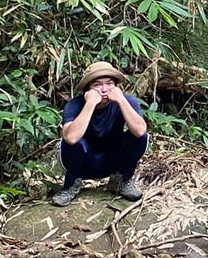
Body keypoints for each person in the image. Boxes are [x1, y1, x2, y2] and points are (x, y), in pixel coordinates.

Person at [53, 61, 148, 207]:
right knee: (70, 141)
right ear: (88, 89)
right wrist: (90, 104)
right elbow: (70, 138)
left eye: (109, 83)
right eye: (97, 85)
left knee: (141, 137)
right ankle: (71, 185)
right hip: (85, 161)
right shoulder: (75, 105)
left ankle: (121, 181)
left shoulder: (127, 101)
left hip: (112, 160)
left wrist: (121, 100)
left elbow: (141, 130)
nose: (104, 89)